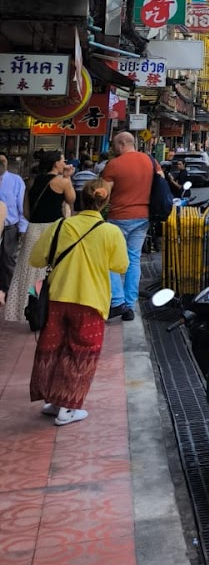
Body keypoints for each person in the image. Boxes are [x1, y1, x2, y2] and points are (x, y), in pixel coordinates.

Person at [28, 178, 128, 426]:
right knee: (81, 353)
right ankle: (68, 408)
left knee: (53, 349)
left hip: (58, 298)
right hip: (90, 301)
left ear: (80, 199)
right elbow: (120, 265)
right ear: (103, 203)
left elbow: (36, 259)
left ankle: (51, 401)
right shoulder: (110, 231)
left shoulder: (60, 226)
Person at [6, 151, 76, 326]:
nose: (65, 163)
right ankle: (50, 309)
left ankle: (29, 307)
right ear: (56, 164)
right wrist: (68, 178)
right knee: (54, 270)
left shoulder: (31, 181)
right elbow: (72, 200)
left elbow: (27, 212)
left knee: (29, 270)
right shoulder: (63, 182)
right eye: (62, 160)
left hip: (33, 229)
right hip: (53, 229)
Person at [102, 131, 163, 322]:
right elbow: (161, 181)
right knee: (133, 259)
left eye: (113, 144)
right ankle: (129, 306)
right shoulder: (151, 162)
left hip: (119, 217)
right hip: (143, 216)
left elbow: (103, 194)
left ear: (121, 144)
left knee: (111, 260)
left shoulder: (114, 165)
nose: (112, 148)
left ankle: (117, 301)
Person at [0, 154, 28, 307]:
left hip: (10, 227)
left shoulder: (15, 180)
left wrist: (22, 229)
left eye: (3, 161)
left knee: (8, 260)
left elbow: (22, 206)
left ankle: (9, 291)